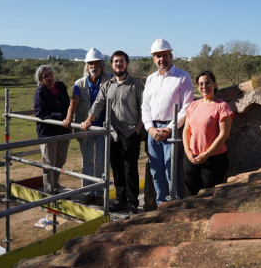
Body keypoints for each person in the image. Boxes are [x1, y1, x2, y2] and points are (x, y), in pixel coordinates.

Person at [81, 50, 144, 214]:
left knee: (130, 168)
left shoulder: (135, 85)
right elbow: (98, 104)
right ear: (112, 65)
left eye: (121, 61)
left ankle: (132, 203)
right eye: (115, 61)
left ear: (126, 64)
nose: (118, 64)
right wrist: (89, 119)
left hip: (130, 133)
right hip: (113, 133)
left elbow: (144, 107)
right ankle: (121, 200)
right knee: (116, 168)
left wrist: (138, 128)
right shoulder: (107, 85)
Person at [141, 38, 194, 206]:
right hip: (153, 131)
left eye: (164, 55)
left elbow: (187, 107)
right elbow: (145, 106)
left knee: (172, 171)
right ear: (153, 59)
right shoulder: (150, 79)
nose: (161, 59)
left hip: (172, 130)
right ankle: (161, 204)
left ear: (171, 56)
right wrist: (150, 128)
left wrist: (169, 129)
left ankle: (175, 205)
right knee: (156, 171)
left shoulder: (182, 77)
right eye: (157, 56)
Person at [62, 48, 112, 205]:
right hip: (85, 128)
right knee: (88, 161)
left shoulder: (110, 80)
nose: (94, 66)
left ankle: (99, 193)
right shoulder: (79, 83)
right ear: (87, 65)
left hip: (104, 128)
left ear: (102, 64)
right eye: (91, 63)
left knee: (102, 161)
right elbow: (74, 102)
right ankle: (88, 192)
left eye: (96, 63)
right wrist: (69, 118)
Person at [182, 70, 234, 196]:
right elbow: (186, 130)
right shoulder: (193, 105)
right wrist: (188, 152)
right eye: (200, 84)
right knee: (191, 195)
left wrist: (206, 154)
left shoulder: (222, 107)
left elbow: (224, 135)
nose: (204, 87)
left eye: (207, 83)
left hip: (213, 159)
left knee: (208, 196)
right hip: (192, 158)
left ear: (215, 84)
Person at [34, 65, 71, 195]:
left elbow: (68, 103)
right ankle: (49, 191)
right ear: (41, 79)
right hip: (49, 132)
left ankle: (55, 185)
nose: (50, 77)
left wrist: (68, 116)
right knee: (49, 162)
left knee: (60, 161)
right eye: (46, 76)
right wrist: (61, 116)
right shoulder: (40, 92)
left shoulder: (60, 86)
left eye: (51, 74)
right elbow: (41, 113)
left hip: (64, 130)